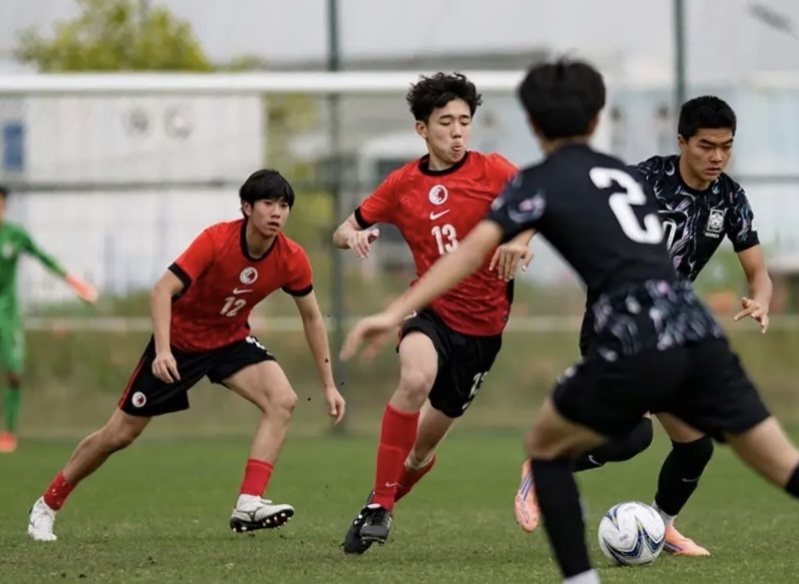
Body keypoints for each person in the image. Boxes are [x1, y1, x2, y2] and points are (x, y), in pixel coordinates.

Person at [339, 59, 799, 584]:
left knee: (545, 450)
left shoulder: (546, 180)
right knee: (786, 463)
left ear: (535, 126)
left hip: (631, 335)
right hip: (696, 329)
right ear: (597, 118)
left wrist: (391, 313)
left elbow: (470, 253)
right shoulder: (623, 175)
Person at [513, 95, 773, 557]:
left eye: (726, 147)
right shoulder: (644, 180)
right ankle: (543, 466)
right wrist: (521, 239)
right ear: (682, 142)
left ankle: (661, 527)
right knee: (634, 437)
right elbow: (562, 198)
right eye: (706, 146)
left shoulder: (730, 198)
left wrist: (761, 299)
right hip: (616, 322)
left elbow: (758, 271)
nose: (717, 156)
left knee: (696, 447)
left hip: (670, 330)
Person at [27, 169, 345, 542]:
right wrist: (163, 351)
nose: (277, 212)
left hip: (229, 341)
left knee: (283, 400)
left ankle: (248, 501)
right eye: (267, 203)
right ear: (246, 207)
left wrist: (329, 385)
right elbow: (162, 290)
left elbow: (312, 318)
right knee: (119, 434)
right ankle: (47, 504)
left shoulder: (292, 258)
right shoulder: (216, 240)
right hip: (180, 344)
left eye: (284, 205)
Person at [332, 72, 534, 555]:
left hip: (483, 332)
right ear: (422, 129)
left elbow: (539, 207)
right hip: (430, 311)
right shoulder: (402, 184)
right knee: (415, 378)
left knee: (420, 453)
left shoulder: (494, 171)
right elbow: (343, 229)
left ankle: (379, 502)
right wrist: (354, 236)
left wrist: (521, 241)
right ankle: (380, 504)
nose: (457, 131)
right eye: (446, 122)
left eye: (464, 121)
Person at [0, 184, 98, 454]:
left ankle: (9, 432)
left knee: (14, 372)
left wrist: (77, 284)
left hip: (8, 313)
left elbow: (44, 258)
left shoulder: (15, 235)